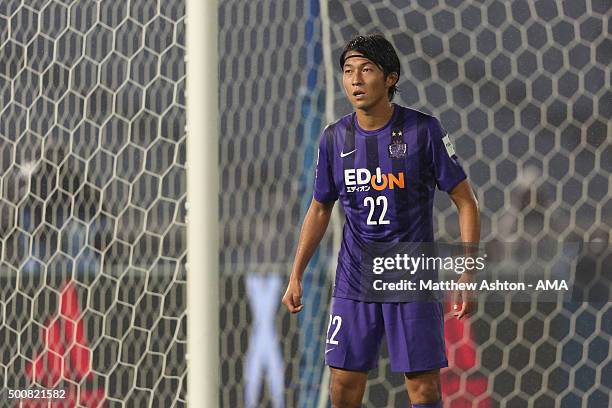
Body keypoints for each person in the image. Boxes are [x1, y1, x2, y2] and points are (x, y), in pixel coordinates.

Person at [282, 34, 480, 408]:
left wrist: (467, 272)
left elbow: (465, 202)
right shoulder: (333, 138)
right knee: (342, 383)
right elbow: (320, 207)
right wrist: (296, 273)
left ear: (390, 78)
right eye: (348, 71)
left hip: (411, 279)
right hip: (354, 279)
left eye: (366, 70)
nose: (355, 79)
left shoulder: (425, 131)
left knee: (423, 390)